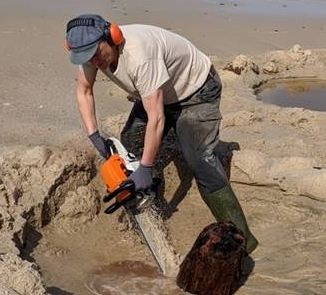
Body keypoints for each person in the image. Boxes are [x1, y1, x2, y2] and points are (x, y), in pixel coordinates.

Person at [65, 13, 258, 254]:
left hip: (196, 91)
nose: (94, 62)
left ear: (112, 37)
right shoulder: (89, 54)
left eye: (96, 54)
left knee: (200, 160)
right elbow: (84, 92)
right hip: (158, 93)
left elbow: (156, 117)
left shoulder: (139, 55)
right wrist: (94, 136)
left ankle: (243, 241)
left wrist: (145, 168)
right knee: (131, 144)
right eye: (86, 58)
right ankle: (148, 201)